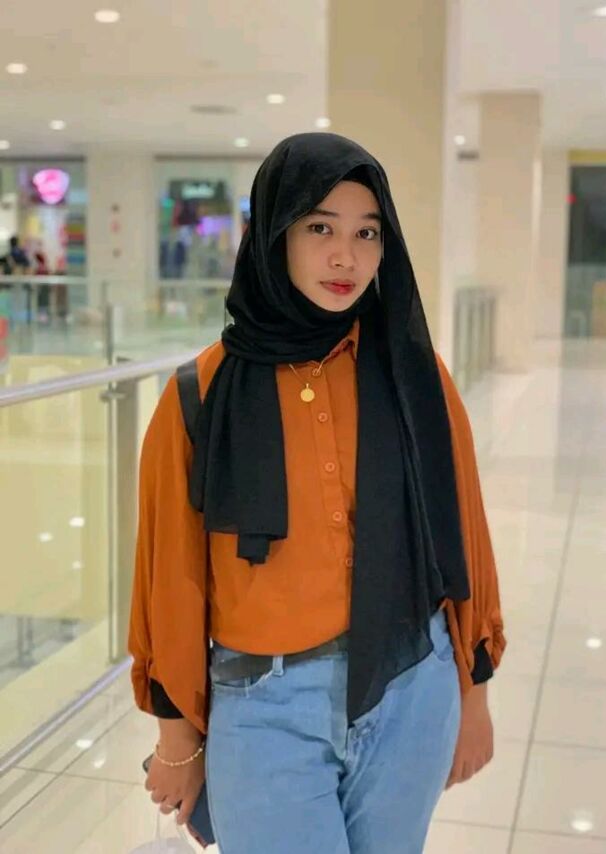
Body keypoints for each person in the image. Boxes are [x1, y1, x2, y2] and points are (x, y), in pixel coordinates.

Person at [129, 133, 506, 854]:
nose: (346, 258)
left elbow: (461, 535)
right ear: (275, 235)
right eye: (320, 228)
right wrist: (177, 735)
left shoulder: (415, 375)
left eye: (368, 233)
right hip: (264, 706)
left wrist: (474, 692)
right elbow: (170, 578)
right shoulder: (201, 394)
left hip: (410, 686)